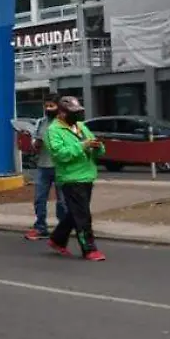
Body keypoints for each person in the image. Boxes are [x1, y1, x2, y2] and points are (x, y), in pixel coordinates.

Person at [45, 96, 107, 261]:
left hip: (87, 175)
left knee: (76, 212)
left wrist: (97, 146)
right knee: (83, 215)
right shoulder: (54, 130)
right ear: (63, 113)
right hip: (71, 177)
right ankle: (89, 248)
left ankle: (57, 239)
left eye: (79, 112)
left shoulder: (81, 126)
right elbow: (60, 154)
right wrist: (83, 145)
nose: (78, 115)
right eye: (74, 112)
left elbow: (94, 144)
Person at [26, 95, 69, 241]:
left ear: (58, 107)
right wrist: (37, 143)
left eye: (52, 106)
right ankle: (40, 227)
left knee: (62, 201)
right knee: (39, 198)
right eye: (46, 106)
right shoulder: (41, 122)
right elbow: (34, 145)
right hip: (43, 166)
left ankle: (63, 228)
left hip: (60, 167)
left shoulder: (64, 122)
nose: (48, 109)